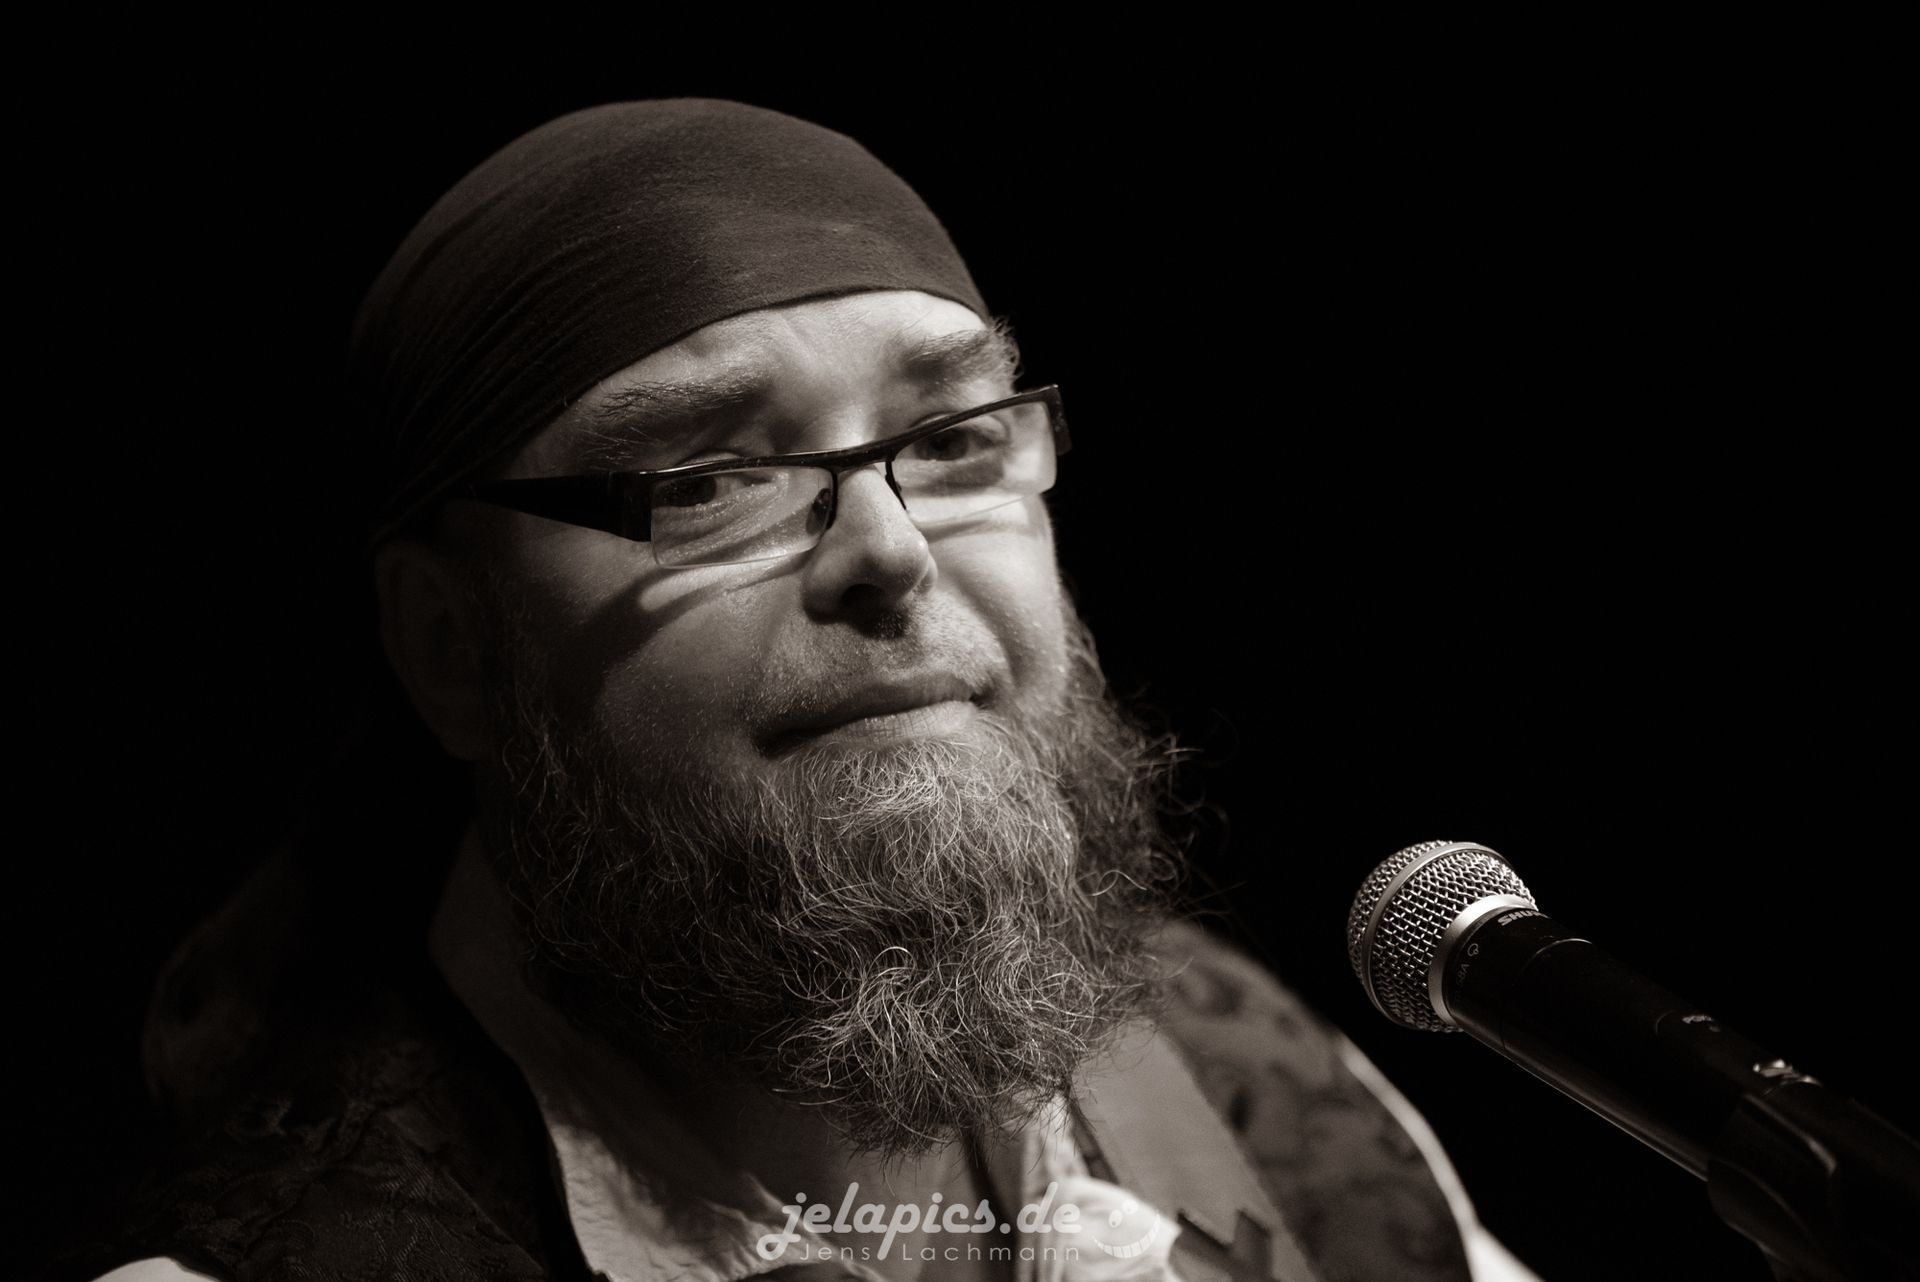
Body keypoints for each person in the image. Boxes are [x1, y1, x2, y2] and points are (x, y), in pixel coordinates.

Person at [79, 99, 1535, 1282]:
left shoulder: (1248, 1074)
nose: (890, 551)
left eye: (953, 441)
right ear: (450, 642)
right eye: (711, 478)